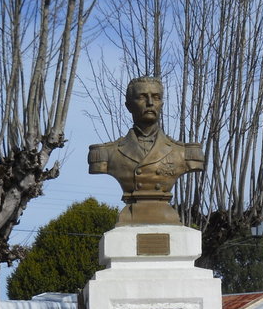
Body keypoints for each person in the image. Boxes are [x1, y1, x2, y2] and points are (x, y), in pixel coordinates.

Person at [88, 76, 205, 225]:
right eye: (142, 97)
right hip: (130, 216)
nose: (150, 103)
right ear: (129, 105)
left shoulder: (183, 153)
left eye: (156, 97)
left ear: (161, 104)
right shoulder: (107, 153)